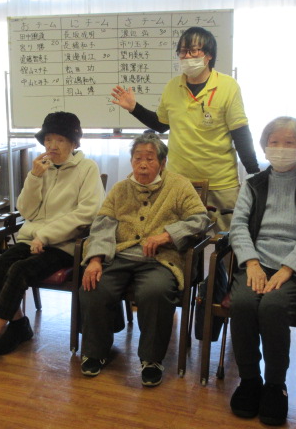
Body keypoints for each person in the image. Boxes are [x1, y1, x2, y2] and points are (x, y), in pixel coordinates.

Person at [0, 111, 105, 373]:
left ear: (73, 143)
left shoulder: (87, 168)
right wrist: (34, 177)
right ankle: (19, 325)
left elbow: (87, 213)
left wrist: (46, 235)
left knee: (19, 270)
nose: (52, 146)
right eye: (48, 139)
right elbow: (26, 210)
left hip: (64, 245)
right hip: (32, 238)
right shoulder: (42, 167)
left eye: (60, 140)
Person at [79, 132, 209, 387]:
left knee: (155, 291)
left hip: (161, 259)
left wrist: (167, 235)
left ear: (162, 163)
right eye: (137, 158)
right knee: (94, 285)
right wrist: (95, 259)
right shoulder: (121, 188)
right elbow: (103, 224)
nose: (143, 164)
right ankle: (95, 352)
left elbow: (200, 219)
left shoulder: (179, 186)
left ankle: (151, 360)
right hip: (120, 255)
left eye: (150, 158)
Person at [227, 116, 296, 426]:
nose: (281, 148)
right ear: (264, 146)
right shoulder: (253, 183)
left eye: (289, 142)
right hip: (256, 263)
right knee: (243, 303)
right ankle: (249, 380)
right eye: (274, 142)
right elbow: (238, 226)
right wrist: (252, 263)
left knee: (272, 306)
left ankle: (275, 385)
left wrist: (287, 269)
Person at [110, 26, 259, 231]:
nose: (187, 56)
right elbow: (161, 124)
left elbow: (240, 133)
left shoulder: (228, 86)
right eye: (182, 51)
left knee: (226, 240)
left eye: (193, 51)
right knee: (177, 239)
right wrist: (135, 108)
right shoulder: (173, 86)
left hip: (220, 182)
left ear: (209, 55)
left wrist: (254, 173)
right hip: (179, 181)